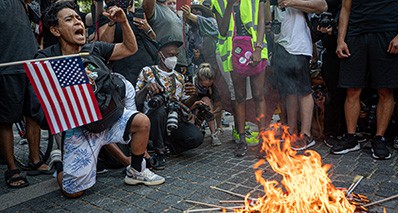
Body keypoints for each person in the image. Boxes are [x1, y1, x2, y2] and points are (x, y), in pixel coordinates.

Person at [38, 1, 164, 198]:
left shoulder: (93, 49)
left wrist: (123, 22)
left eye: (78, 18)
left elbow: (130, 48)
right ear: (55, 30)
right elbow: (42, 105)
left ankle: (136, 170)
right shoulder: (45, 59)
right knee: (73, 193)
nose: (78, 22)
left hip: (108, 117)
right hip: (80, 127)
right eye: (69, 19)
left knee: (141, 122)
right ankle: (59, 162)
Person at [333, 0, 397, 159]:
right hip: (355, 35)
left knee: (385, 90)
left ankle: (379, 138)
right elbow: (345, 8)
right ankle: (351, 137)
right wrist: (340, 40)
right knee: (352, 89)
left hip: (387, 33)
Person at [0, 0, 53, 189]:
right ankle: (12, 168)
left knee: (33, 114)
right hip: (7, 67)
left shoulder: (25, 5)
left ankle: (35, 160)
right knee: (6, 119)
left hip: (31, 65)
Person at [135, 34, 204, 170]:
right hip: (153, 118)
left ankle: (169, 146)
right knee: (160, 110)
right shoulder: (148, 71)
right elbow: (136, 100)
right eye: (170, 54)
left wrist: (195, 95)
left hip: (173, 119)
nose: (173, 58)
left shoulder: (180, 77)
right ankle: (159, 151)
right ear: (160, 54)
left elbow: (186, 105)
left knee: (196, 137)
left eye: (176, 55)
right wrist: (147, 88)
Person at [211, 0, 269, 157]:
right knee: (239, 97)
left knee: (258, 95)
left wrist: (258, 48)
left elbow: (262, 21)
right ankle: (241, 140)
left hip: (256, 48)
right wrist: (230, 4)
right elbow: (223, 31)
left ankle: (263, 140)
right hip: (233, 52)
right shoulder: (218, 3)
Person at [269, 0, 327, 150]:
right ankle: (292, 131)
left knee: (304, 91)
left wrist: (290, 2)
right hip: (280, 46)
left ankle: (306, 134)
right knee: (289, 92)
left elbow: (322, 5)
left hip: (298, 46)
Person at [98, 0, 158, 87]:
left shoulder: (139, 13)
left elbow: (153, 39)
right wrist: (112, 21)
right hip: (124, 70)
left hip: (146, 68)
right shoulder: (107, 16)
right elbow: (105, 43)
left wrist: (147, 28)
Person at [142, 0, 190, 74]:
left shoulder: (170, 11)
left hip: (178, 63)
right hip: (162, 62)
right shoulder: (154, 8)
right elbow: (147, 7)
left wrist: (183, 62)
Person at [191, 63, 223, 146]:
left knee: (206, 100)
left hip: (206, 106)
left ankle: (213, 133)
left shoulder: (213, 86)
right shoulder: (191, 83)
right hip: (192, 106)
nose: (205, 88)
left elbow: (219, 105)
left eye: (208, 86)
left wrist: (212, 115)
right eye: (203, 86)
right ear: (198, 80)